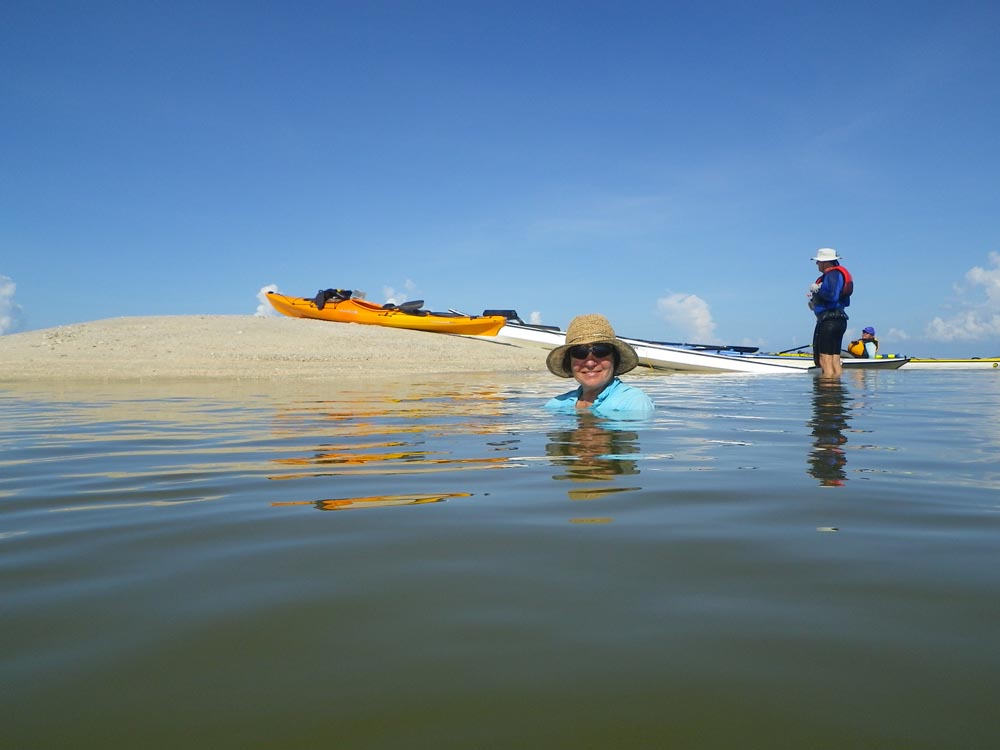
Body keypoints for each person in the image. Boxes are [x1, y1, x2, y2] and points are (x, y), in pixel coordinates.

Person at [544, 314, 654, 418]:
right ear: (569, 361)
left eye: (601, 351)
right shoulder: (556, 405)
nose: (590, 363)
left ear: (614, 358)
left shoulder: (633, 402)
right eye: (580, 352)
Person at [807, 248, 853, 377]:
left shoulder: (832, 275)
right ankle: (836, 389)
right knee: (834, 358)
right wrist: (814, 303)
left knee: (824, 359)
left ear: (825, 262)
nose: (817, 264)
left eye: (819, 262)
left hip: (829, 321)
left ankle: (828, 394)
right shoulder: (836, 275)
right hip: (839, 320)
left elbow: (832, 296)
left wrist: (817, 290)